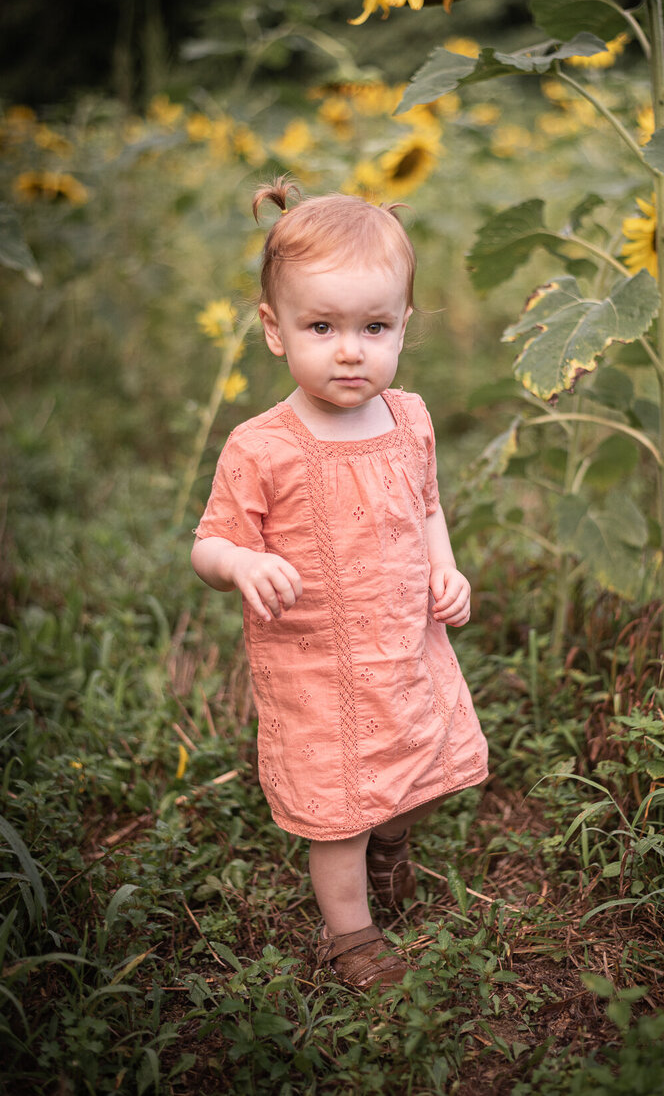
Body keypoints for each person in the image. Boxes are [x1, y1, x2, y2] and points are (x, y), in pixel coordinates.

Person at [191, 177, 488, 992]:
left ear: (403, 327)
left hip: (401, 644)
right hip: (318, 665)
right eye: (322, 326)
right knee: (339, 813)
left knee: (420, 768)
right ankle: (350, 935)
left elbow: (427, 505)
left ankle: (395, 839)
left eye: (375, 326)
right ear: (274, 331)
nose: (351, 349)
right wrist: (244, 564)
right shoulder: (261, 448)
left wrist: (445, 565)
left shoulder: (411, 419)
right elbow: (209, 545)